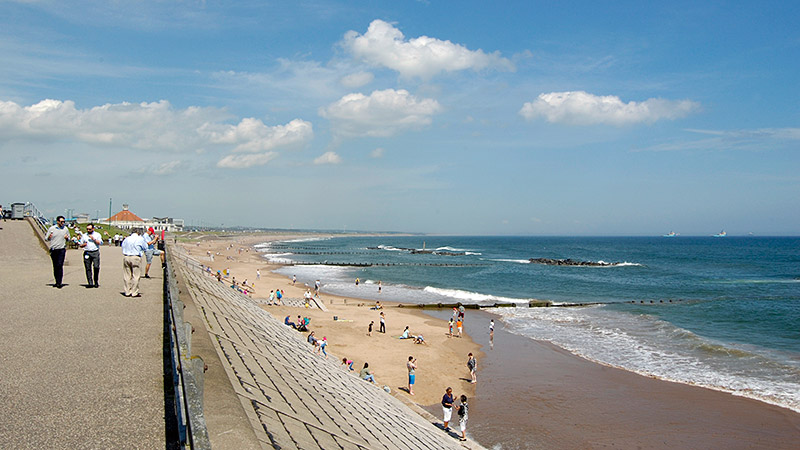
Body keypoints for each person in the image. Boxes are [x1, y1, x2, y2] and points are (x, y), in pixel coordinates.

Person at [121, 228, 147, 297]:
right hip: (135, 257)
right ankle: (134, 292)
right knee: (136, 275)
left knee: (127, 275)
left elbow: (123, 246)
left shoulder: (127, 239)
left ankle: (127, 291)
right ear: (138, 232)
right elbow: (145, 247)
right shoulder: (140, 239)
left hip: (126, 256)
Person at [45, 216, 70, 288]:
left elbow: (69, 238)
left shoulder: (65, 229)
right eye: (61, 222)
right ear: (58, 221)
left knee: (60, 265)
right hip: (54, 249)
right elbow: (46, 238)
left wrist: (67, 238)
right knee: (55, 266)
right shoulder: (52, 229)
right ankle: (56, 281)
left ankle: (59, 282)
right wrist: (49, 237)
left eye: (64, 222)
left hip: (61, 249)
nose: (63, 223)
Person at [79, 223, 102, 288]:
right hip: (87, 252)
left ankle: (96, 281)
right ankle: (90, 282)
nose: (88, 230)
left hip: (95, 252)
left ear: (93, 229)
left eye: (90, 229)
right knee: (88, 268)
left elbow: (100, 242)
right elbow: (80, 244)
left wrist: (94, 239)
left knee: (96, 267)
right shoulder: (84, 235)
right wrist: (82, 245)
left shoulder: (97, 235)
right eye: (87, 229)